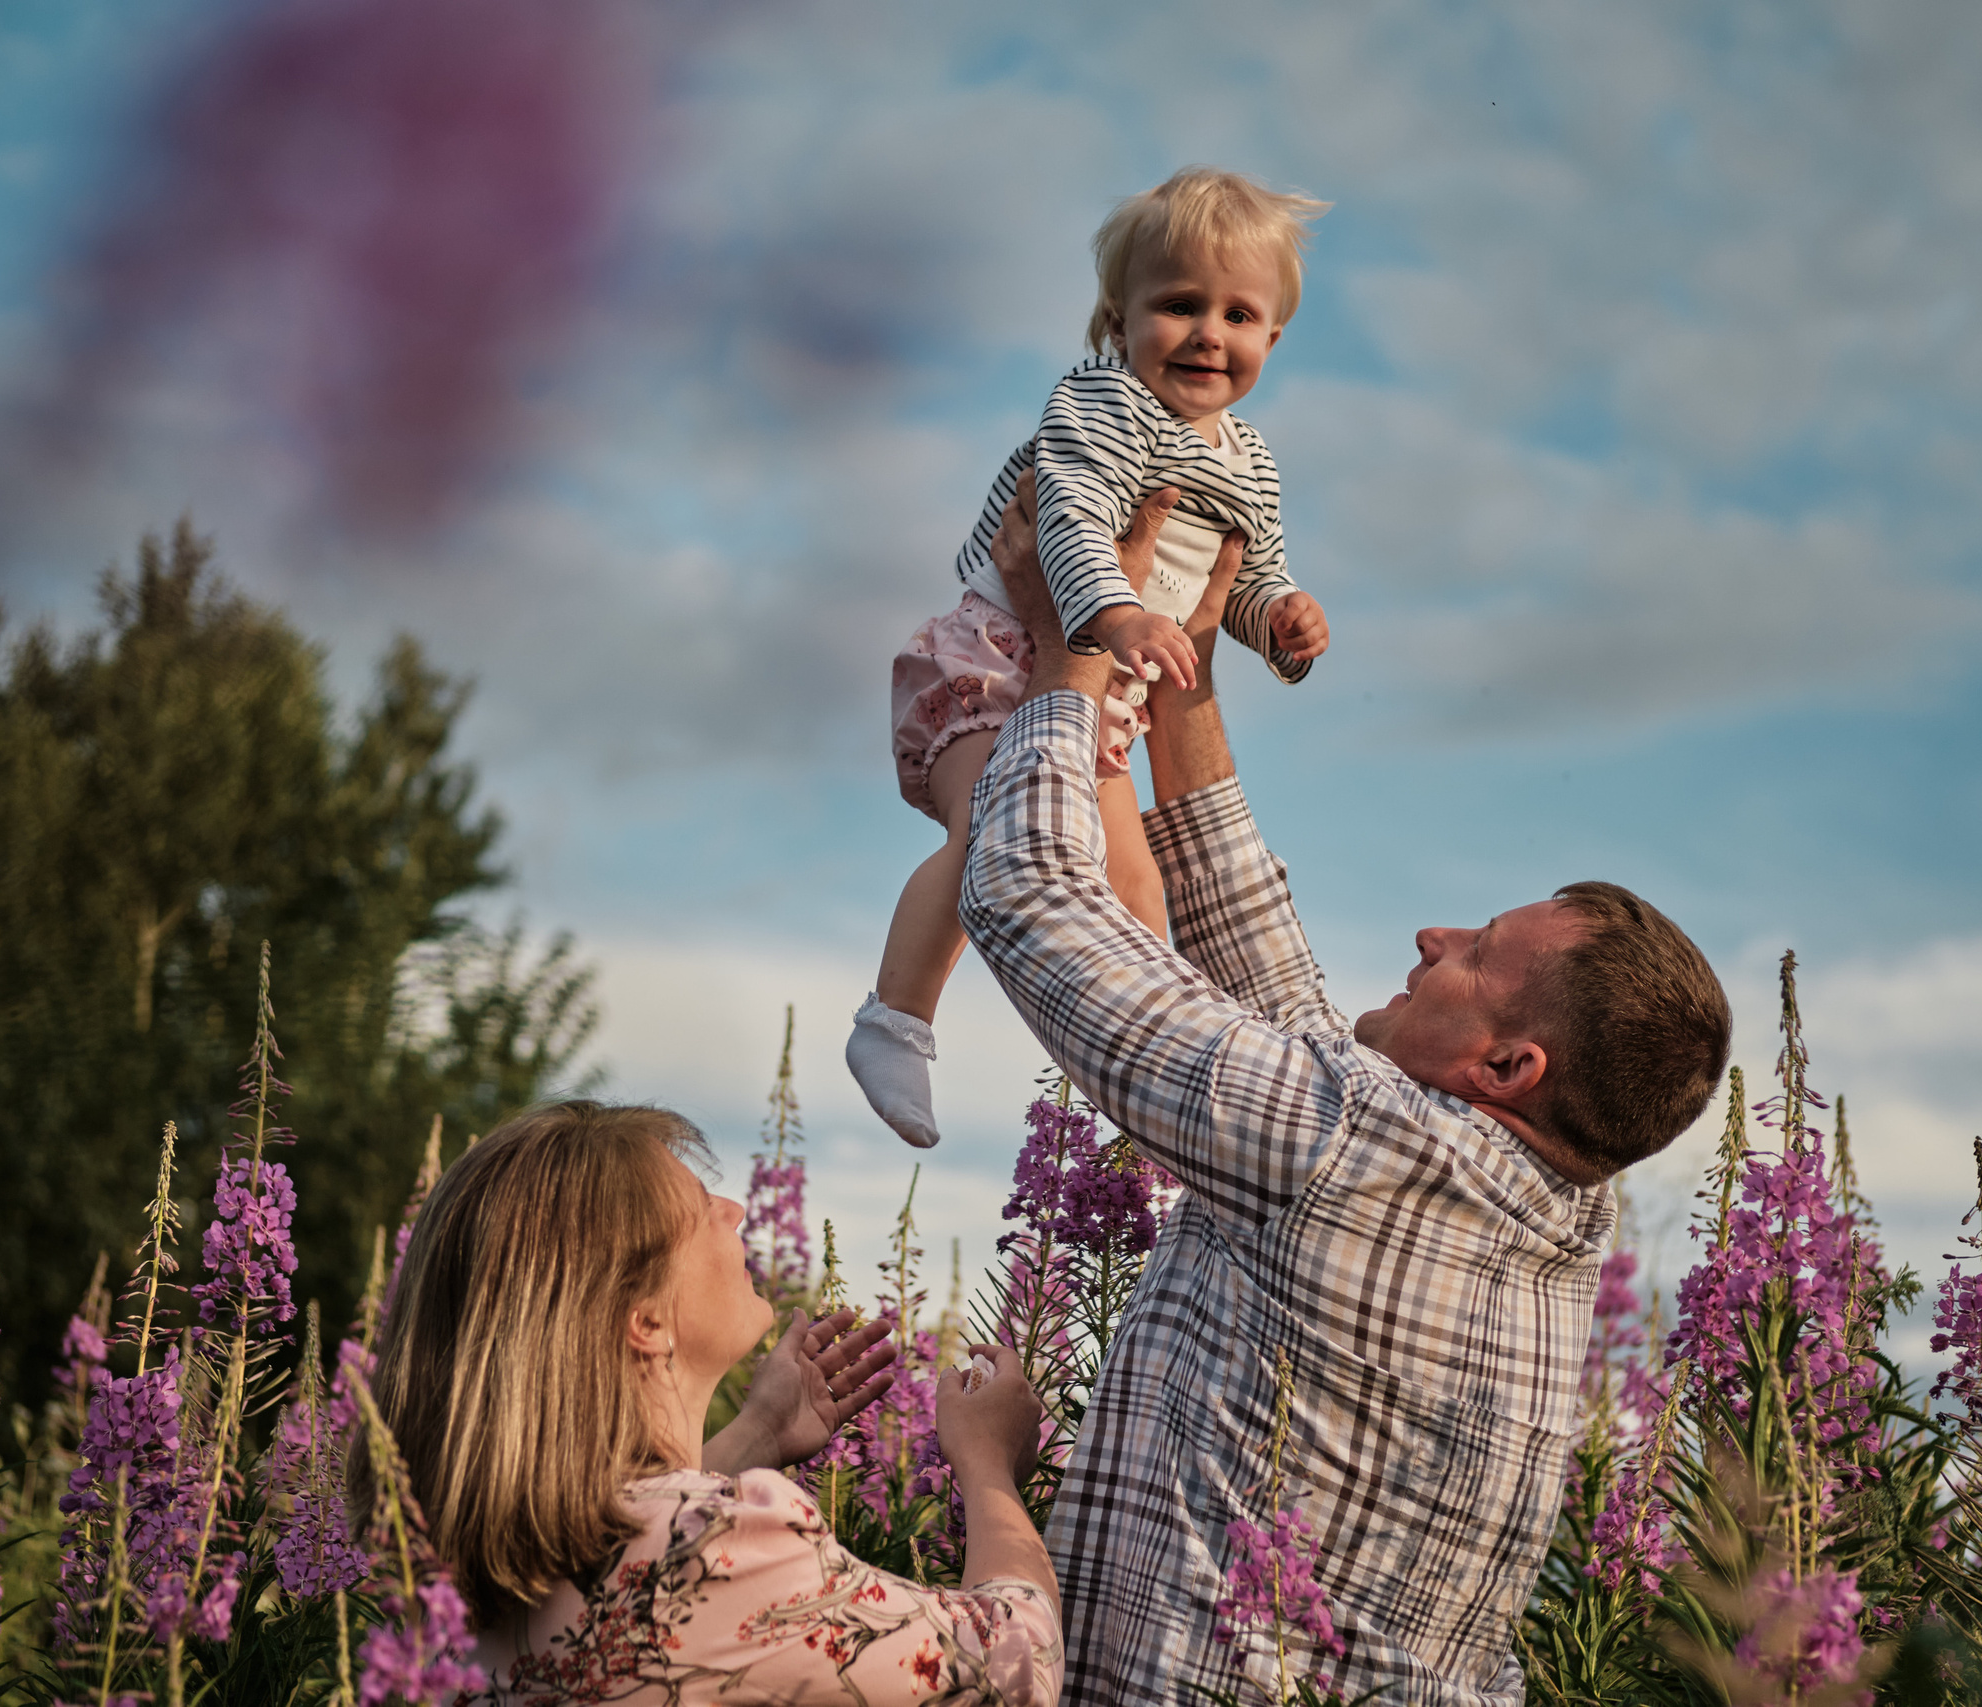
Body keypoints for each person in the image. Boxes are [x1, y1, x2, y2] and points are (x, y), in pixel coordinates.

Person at [957, 475, 1732, 1705]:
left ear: (1502, 1070)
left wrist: (1070, 654)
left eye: (1474, 951)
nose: (1431, 938)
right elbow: (1284, 1017)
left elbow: (1027, 900)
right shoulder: (1543, 1213)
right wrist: (1187, 677)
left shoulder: (1352, 1150)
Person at [848, 165, 1336, 1150]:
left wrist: (1279, 621)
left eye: (1238, 314)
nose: (1209, 332)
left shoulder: (1250, 459)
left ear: (1272, 339)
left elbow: (1239, 581)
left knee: (1137, 887)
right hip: (1002, 653)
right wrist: (1110, 616)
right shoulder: (1099, 404)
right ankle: (894, 1019)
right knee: (992, 830)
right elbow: (1066, 519)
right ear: (1118, 323)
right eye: (1178, 304)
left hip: (1100, 688)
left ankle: (1143, 1084)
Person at [352, 1101, 1063, 1704]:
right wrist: (988, 1465)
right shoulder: (717, 1547)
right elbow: (1016, 1662)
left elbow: (621, 1547)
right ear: (647, 1321)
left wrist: (755, 1432)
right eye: (700, 1208)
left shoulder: (445, 1587)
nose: (736, 1206)